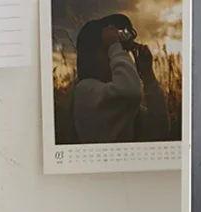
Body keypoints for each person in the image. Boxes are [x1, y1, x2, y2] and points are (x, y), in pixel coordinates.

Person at [72, 14, 170, 144]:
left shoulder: (118, 102)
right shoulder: (85, 91)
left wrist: (148, 75)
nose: (115, 58)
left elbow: (160, 130)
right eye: (109, 50)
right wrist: (115, 46)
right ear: (93, 54)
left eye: (123, 52)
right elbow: (129, 92)